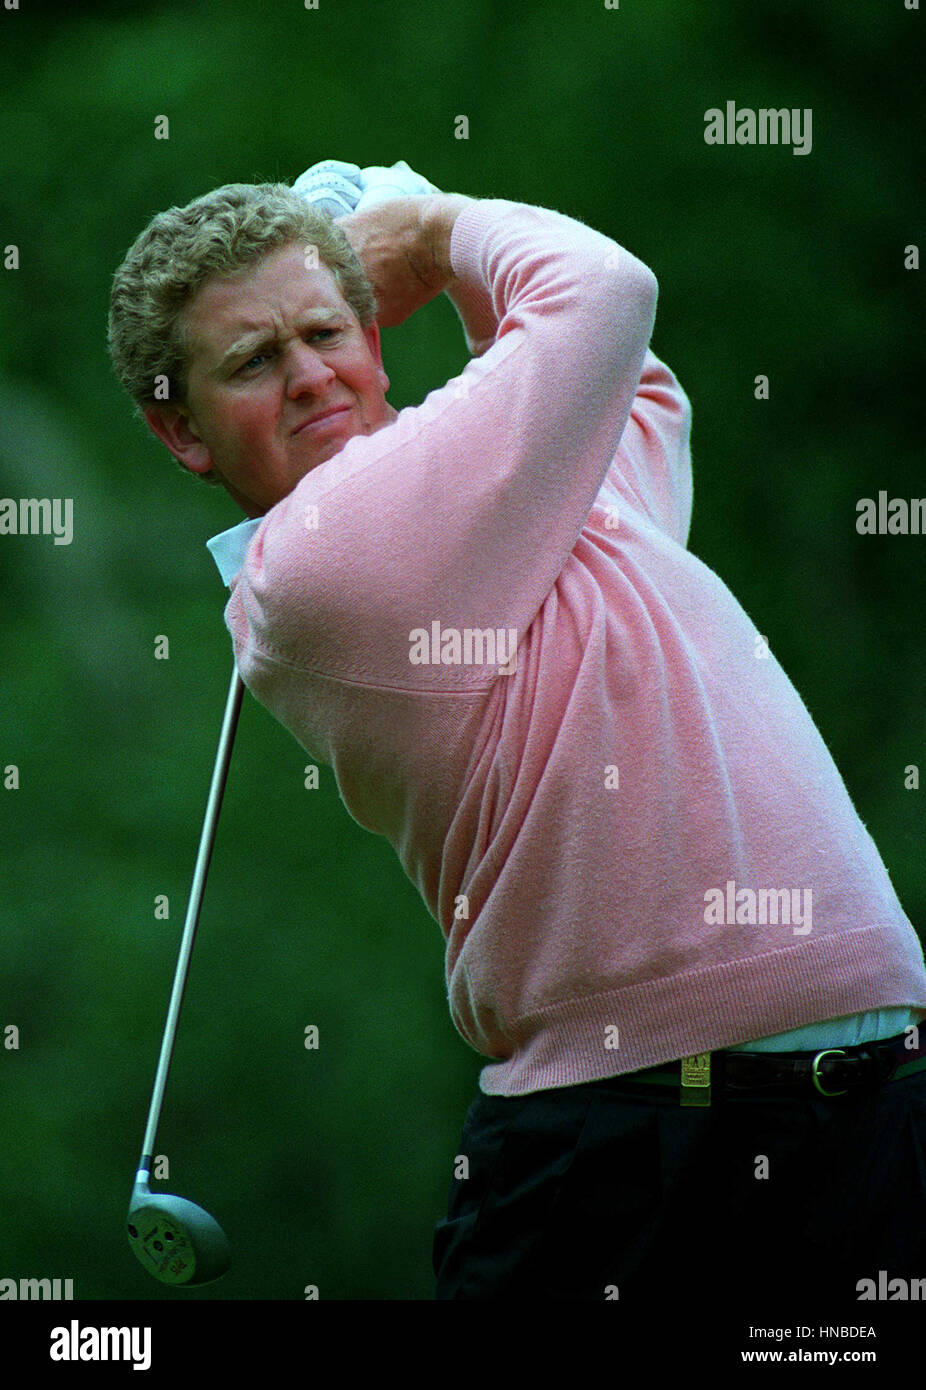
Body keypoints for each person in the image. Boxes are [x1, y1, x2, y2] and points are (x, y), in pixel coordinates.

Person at [109, 168, 926, 1306]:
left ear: (374, 341)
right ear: (178, 429)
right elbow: (601, 290)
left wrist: (427, 224)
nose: (306, 377)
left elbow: (628, 390)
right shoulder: (316, 565)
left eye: (323, 331)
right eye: (251, 362)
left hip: (858, 1112)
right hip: (624, 1145)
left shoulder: (499, 516)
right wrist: (435, 225)